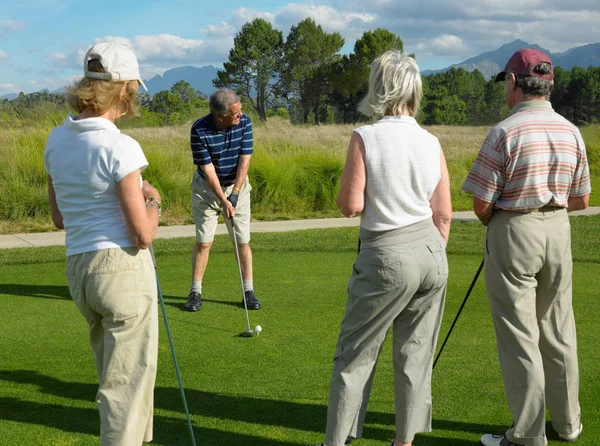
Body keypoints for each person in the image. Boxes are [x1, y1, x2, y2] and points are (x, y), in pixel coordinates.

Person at [318, 50, 452, 446]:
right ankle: (404, 441)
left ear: (379, 87)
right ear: (414, 89)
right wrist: (427, 252)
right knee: (415, 356)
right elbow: (443, 213)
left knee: (354, 356)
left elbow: (350, 205)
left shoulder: (366, 136)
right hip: (431, 251)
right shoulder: (431, 140)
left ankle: (336, 441)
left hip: (386, 252)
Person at [462, 48, 590, 446]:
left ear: (514, 83)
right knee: (558, 330)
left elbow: (481, 204)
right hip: (559, 228)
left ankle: (527, 435)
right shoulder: (571, 131)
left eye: (505, 81)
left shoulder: (504, 131)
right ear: (548, 83)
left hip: (516, 230)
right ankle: (569, 425)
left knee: (520, 336)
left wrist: (507, 218)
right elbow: (582, 199)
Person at [44, 42, 161, 445]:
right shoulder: (121, 146)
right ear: (125, 90)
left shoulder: (56, 140)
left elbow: (59, 217)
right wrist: (153, 200)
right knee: (126, 384)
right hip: (121, 269)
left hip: (79, 268)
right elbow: (142, 234)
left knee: (116, 375)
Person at [185, 88, 261, 312]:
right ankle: (195, 292)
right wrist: (223, 199)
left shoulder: (245, 122)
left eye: (240, 111)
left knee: (242, 241)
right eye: (235, 113)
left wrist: (235, 194)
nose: (241, 115)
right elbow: (208, 172)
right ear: (219, 116)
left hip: (237, 186)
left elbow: (244, 161)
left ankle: (248, 291)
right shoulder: (199, 130)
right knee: (204, 242)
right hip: (206, 191)